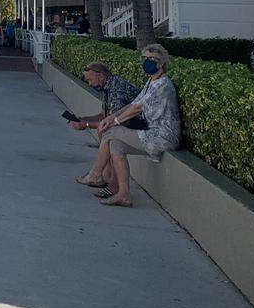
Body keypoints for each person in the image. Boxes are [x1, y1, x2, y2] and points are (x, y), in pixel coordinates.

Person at [76, 44, 182, 207]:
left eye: (151, 59)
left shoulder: (162, 85)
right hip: (151, 132)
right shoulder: (151, 81)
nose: (147, 61)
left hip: (162, 136)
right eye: (145, 58)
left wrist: (114, 122)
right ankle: (123, 194)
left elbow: (138, 108)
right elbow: (133, 103)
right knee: (116, 145)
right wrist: (111, 117)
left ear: (161, 63)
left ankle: (96, 175)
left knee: (110, 132)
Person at [68, 62, 139, 132]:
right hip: (128, 125)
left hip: (138, 128)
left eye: (90, 80)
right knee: (102, 131)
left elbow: (113, 122)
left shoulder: (117, 88)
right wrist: (84, 120)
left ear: (101, 76)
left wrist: (86, 124)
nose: (90, 84)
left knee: (104, 131)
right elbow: (104, 115)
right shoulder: (108, 85)